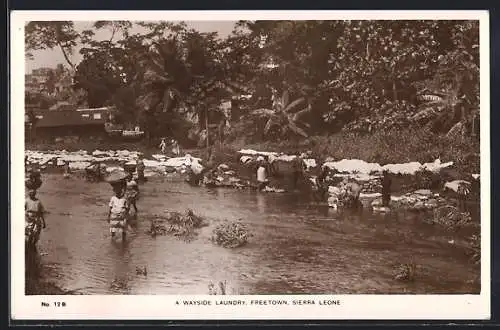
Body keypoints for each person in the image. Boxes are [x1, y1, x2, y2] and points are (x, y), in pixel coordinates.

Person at [25, 188, 46, 277]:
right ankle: (28, 248)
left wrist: (44, 222)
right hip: (28, 219)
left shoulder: (38, 202)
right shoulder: (25, 201)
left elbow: (41, 213)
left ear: (35, 194)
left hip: (36, 219)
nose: (32, 194)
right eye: (30, 193)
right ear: (29, 194)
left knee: (36, 235)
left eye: (33, 193)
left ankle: (32, 247)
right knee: (28, 235)